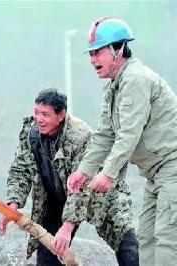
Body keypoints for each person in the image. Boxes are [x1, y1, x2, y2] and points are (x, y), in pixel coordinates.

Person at [67, 17, 177, 266]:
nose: (92, 60)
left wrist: (107, 174)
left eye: (98, 52)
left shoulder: (135, 80)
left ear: (118, 50)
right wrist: (83, 171)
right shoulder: (114, 87)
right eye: (90, 54)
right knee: (147, 237)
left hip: (172, 167)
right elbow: (105, 136)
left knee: (167, 238)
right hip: (154, 173)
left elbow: (129, 134)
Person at [0, 88, 139, 265]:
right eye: (36, 112)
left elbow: (82, 185)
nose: (39, 119)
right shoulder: (31, 134)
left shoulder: (79, 136)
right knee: (49, 253)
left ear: (61, 115)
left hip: (99, 192)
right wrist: (13, 203)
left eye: (45, 114)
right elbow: (21, 168)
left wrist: (68, 226)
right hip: (56, 198)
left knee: (127, 242)